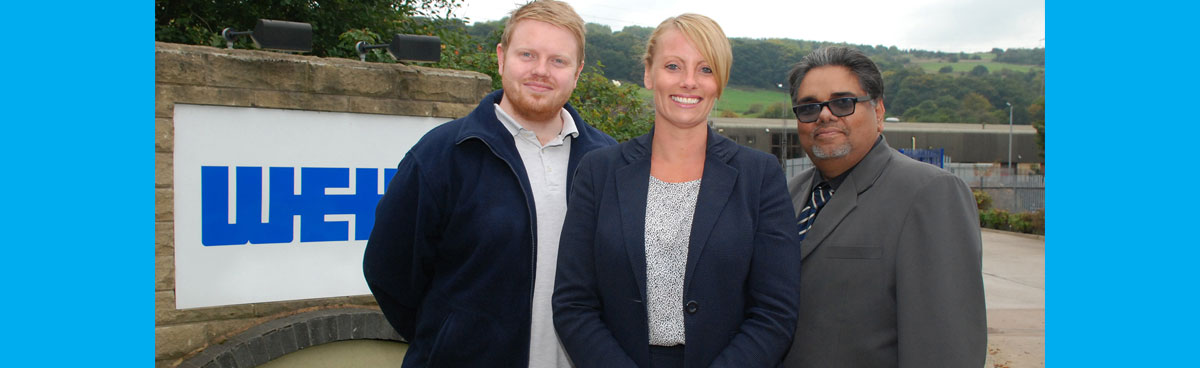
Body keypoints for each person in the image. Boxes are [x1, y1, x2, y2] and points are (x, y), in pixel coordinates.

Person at [361, 1, 617, 366]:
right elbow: (389, 272)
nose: (541, 71)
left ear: (577, 72)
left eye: (558, 61)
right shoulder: (443, 155)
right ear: (501, 58)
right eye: (527, 54)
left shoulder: (608, 162)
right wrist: (452, 338)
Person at [552, 13, 801, 368]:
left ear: (720, 82)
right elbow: (573, 303)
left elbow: (775, 313)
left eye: (705, 69)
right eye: (673, 66)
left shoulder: (759, 177)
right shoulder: (598, 171)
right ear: (648, 74)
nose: (688, 82)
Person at [778, 46, 986, 367]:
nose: (824, 114)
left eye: (843, 102)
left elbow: (946, 346)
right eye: (809, 107)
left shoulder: (929, 193)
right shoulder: (787, 193)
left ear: (878, 112)